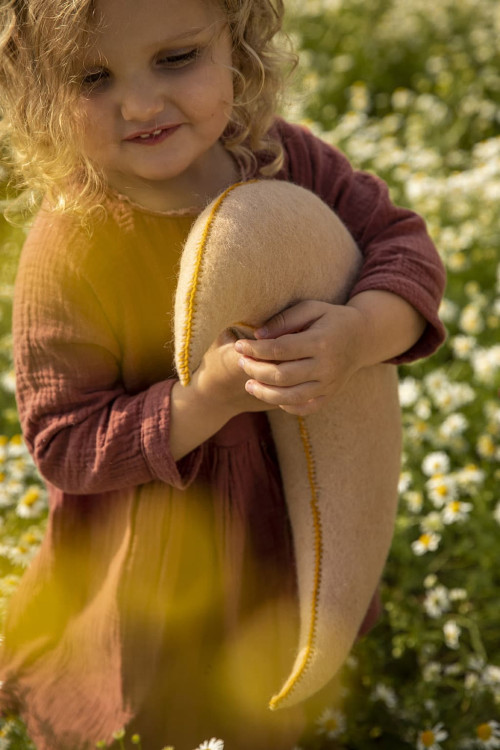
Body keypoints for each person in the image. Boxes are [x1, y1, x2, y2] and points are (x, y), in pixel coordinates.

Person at [0, 0, 446, 748]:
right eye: (91, 77)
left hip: (289, 497)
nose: (140, 103)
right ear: (35, 91)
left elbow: (400, 246)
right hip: (161, 550)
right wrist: (202, 401)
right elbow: (64, 441)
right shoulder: (73, 245)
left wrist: (361, 333)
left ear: (237, 46)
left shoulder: (285, 160)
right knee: (170, 698)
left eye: (176, 59)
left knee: (285, 648)